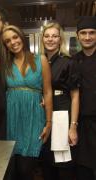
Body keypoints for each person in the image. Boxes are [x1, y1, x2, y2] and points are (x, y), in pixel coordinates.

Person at [0, 25, 52, 180]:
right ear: (5, 45)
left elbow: (48, 92)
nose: (13, 42)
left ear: (22, 37)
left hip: (33, 118)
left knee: (26, 169)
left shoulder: (40, 59)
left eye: (15, 37)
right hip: (12, 119)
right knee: (12, 170)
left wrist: (49, 123)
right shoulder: (4, 65)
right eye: (8, 41)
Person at [40, 22, 79, 180]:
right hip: (43, 115)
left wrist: (73, 127)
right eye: (47, 36)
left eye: (55, 36)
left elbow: (75, 96)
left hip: (62, 113)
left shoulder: (68, 62)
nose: (50, 39)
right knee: (47, 163)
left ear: (60, 39)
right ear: (42, 39)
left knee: (63, 165)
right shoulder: (38, 62)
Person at [73, 16, 96, 180]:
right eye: (83, 33)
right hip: (82, 125)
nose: (87, 37)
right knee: (83, 171)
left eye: (92, 33)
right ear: (78, 35)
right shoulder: (73, 61)